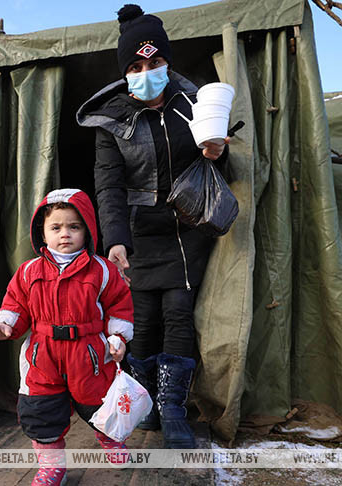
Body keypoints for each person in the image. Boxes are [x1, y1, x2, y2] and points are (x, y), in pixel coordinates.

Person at [75, 4, 229, 448]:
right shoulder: (111, 120)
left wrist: (219, 152)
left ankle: (173, 408)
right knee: (141, 320)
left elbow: (221, 162)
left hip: (186, 227)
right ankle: (142, 404)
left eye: (155, 62)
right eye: (137, 66)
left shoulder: (195, 106)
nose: (147, 72)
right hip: (139, 232)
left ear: (167, 62)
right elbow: (109, 188)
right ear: (127, 72)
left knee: (178, 312)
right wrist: (116, 241)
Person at [0, 188, 134, 486]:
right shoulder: (28, 272)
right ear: (43, 232)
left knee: (101, 402)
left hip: (89, 353)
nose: (65, 234)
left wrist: (118, 337)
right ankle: (52, 466)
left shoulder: (102, 271)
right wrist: (5, 326)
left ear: (87, 230)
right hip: (42, 355)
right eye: (56, 227)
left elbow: (120, 306)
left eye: (74, 226)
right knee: (41, 411)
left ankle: (110, 439)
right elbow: (16, 306)